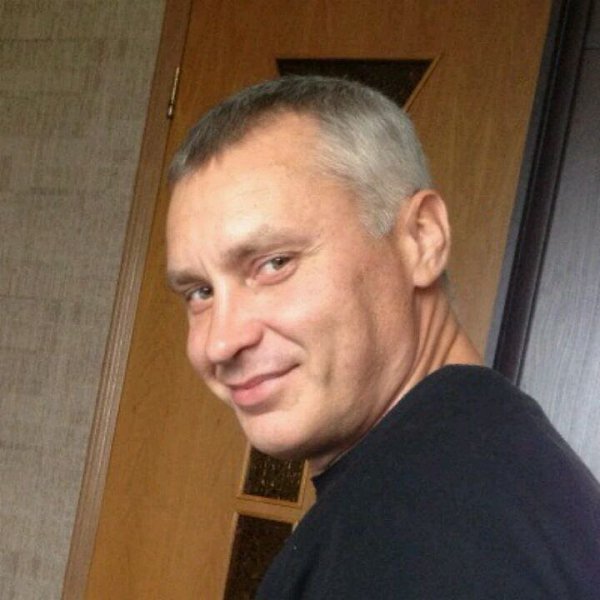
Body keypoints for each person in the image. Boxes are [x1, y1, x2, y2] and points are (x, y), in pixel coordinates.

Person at [165, 76, 600, 598]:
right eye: (199, 292)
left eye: (275, 263)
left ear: (422, 239)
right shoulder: (482, 464)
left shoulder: (420, 531)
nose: (219, 343)